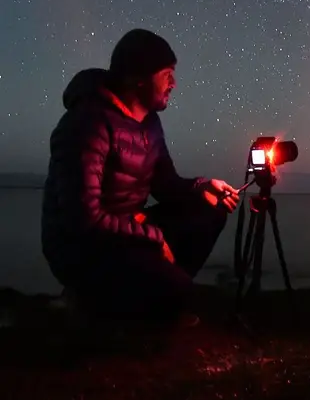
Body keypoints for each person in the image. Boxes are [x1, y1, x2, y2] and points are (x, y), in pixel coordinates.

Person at [41, 28, 240, 326]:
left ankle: (158, 295)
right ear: (138, 78)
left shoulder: (150, 124)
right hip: (81, 246)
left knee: (210, 208)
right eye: (167, 74)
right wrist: (154, 238)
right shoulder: (87, 123)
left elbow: (166, 186)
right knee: (181, 293)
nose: (173, 83)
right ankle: (89, 297)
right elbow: (82, 219)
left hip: (128, 231)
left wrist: (201, 187)